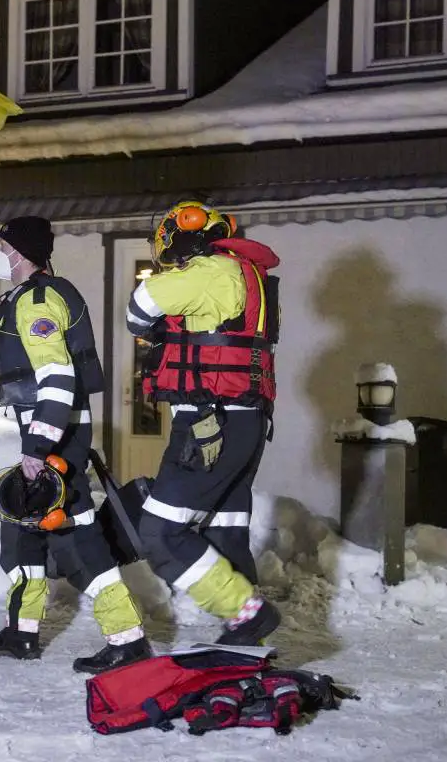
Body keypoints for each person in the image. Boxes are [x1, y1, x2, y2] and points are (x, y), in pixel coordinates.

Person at [0, 215, 151, 674]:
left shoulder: (36, 302)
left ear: (17, 251)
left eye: (1, 244)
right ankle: (22, 634)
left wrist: (38, 449)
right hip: (50, 433)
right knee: (21, 538)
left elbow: (57, 377)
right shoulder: (33, 296)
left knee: (81, 541)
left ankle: (127, 641)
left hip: (55, 439)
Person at [124, 200, 282, 647]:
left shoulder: (210, 271)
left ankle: (247, 614)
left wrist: (160, 328)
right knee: (225, 530)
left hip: (209, 424)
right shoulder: (248, 274)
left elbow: (139, 308)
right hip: (245, 423)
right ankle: (244, 641)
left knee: (159, 532)